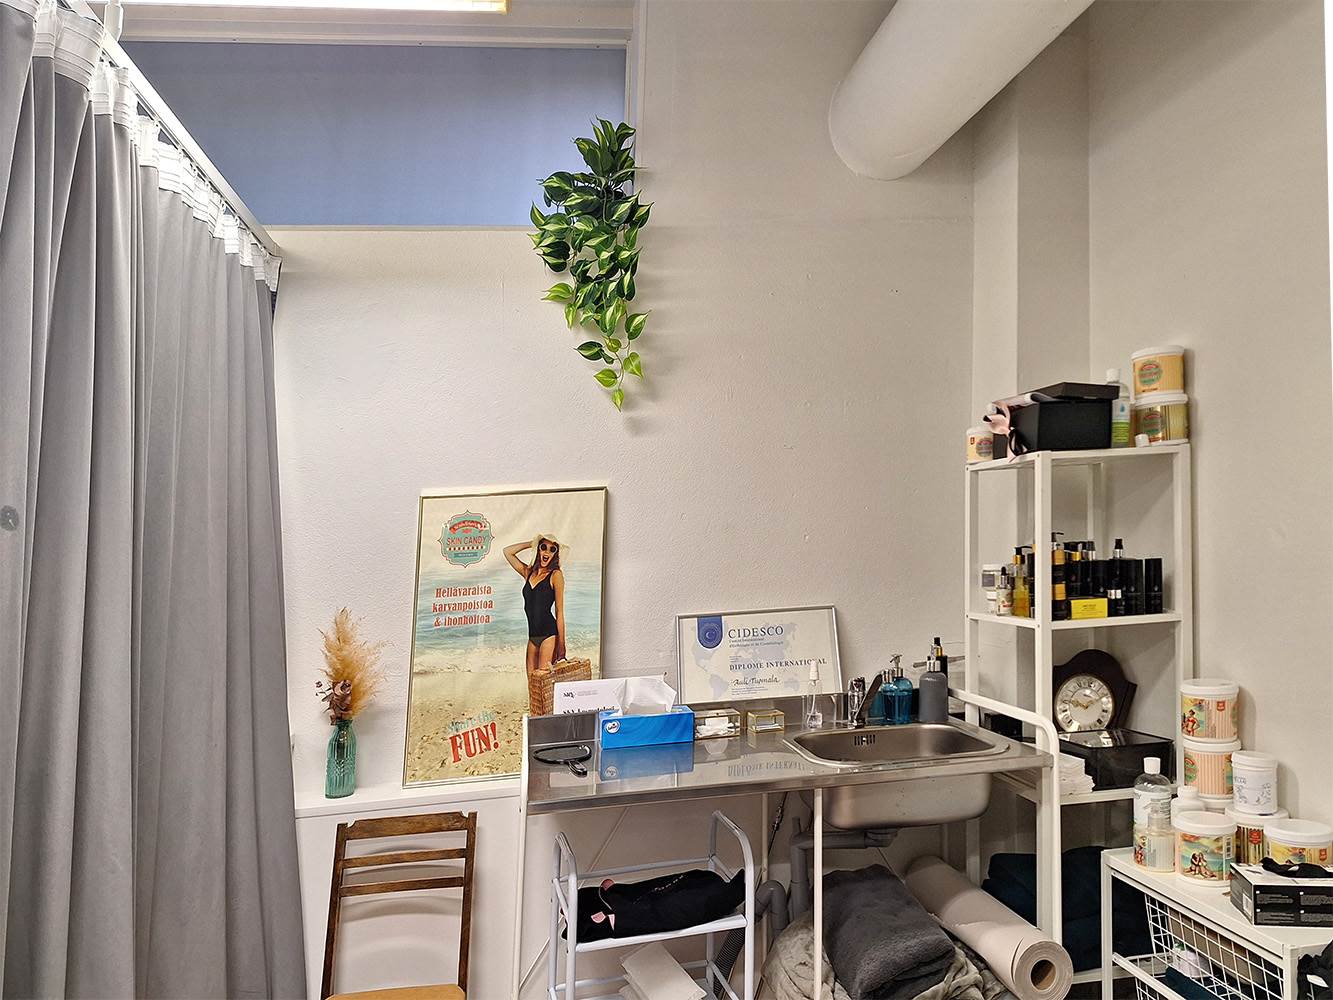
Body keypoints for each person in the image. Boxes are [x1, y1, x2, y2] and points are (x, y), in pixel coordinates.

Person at [504, 534, 566, 714]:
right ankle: (535, 721)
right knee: (532, 685)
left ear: (555, 554)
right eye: (543, 547)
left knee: (543, 685)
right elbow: (507, 552)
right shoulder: (528, 572)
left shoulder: (555, 575)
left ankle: (547, 721)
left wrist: (561, 645)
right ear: (538, 550)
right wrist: (531, 543)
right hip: (532, 637)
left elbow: (559, 612)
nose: (547, 552)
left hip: (549, 635)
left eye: (552, 549)